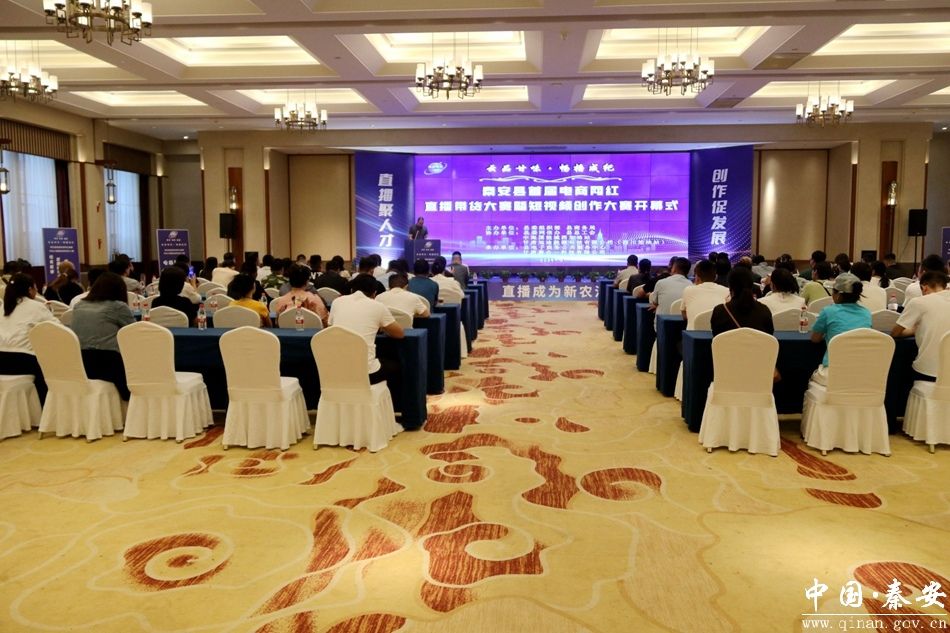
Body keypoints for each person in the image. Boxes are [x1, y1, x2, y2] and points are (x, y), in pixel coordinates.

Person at [328, 274, 410, 425]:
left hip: (334, 372)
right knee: (399, 366)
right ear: (374, 293)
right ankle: (396, 414)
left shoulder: (337, 302)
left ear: (352, 289)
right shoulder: (377, 306)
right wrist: (381, 326)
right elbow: (399, 333)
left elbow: (331, 327)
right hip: (366, 374)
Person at [69, 272, 135, 400]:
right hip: (108, 364)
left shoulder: (79, 305)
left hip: (80, 364)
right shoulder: (117, 306)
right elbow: (134, 333)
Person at [0, 273, 56, 403]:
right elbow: (57, 329)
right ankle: (42, 408)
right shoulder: (36, 306)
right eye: (35, 287)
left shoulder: (3, 307)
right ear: (30, 289)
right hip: (23, 361)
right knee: (47, 371)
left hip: (1, 360)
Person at [809, 272, 872, 385]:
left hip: (833, 372)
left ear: (838, 295)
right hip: (862, 372)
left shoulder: (828, 311)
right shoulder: (866, 313)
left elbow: (815, 339)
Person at [892, 271, 950, 382]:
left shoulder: (919, 302)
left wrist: (915, 329)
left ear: (924, 288)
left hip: (928, 372)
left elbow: (895, 332)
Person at [711, 267, 774, 336]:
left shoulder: (720, 311)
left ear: (730, 287)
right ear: (752, 285)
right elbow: (769, 335)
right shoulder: (764, 310)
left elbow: (716, 337)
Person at [680, 259, 729, 329]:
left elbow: (684, 315)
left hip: (693, 334)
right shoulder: (727, 291)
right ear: (716, 276)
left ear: (697, 276)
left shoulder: (688, 290)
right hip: (718, 334)